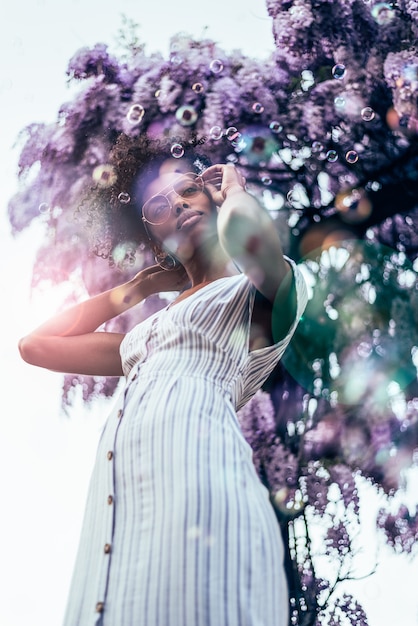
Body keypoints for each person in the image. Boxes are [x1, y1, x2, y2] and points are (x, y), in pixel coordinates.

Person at [19, 137, 308, 626]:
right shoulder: (144, 339)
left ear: (214, 202)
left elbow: (243, 230)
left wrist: (233, 186)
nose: (177, 202)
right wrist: (140, 286)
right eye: (158, 205)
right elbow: (36, 345)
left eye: (190, 190)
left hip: (204, 502)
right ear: (154, 237)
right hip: (118, 524)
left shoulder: (263, 291)